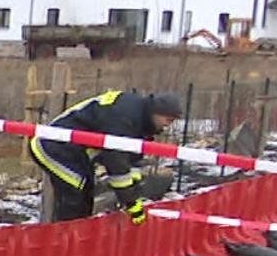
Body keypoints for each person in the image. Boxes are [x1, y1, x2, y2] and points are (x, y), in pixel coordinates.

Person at [31, 90, 183, 223]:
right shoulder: (125, 118)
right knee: (75, 194)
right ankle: (65, 238)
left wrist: (132, 185)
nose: (168, 126)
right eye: (168, 120)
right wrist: (131, 204)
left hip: (74, 150)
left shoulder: (138, 118)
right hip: (51, 144)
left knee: (85, 193)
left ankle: (75, 235)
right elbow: (116, 162)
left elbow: (128, 159)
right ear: (156, 112)